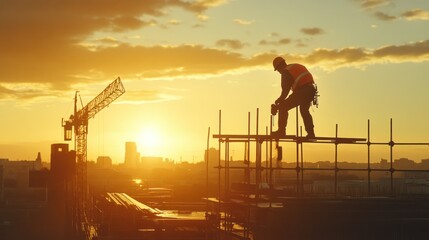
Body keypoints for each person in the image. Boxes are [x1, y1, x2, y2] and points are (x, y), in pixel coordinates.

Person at [271, 56, 316, 138]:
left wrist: (278, 102)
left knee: (283, 107)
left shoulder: (286, 72)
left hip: (303, 91)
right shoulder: (294, 67)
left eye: (277, 70)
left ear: (280, 67)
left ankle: (281, 131)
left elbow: (285, 91)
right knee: (304, 111)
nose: (278, 72)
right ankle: (311, 133)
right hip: (311, 90)